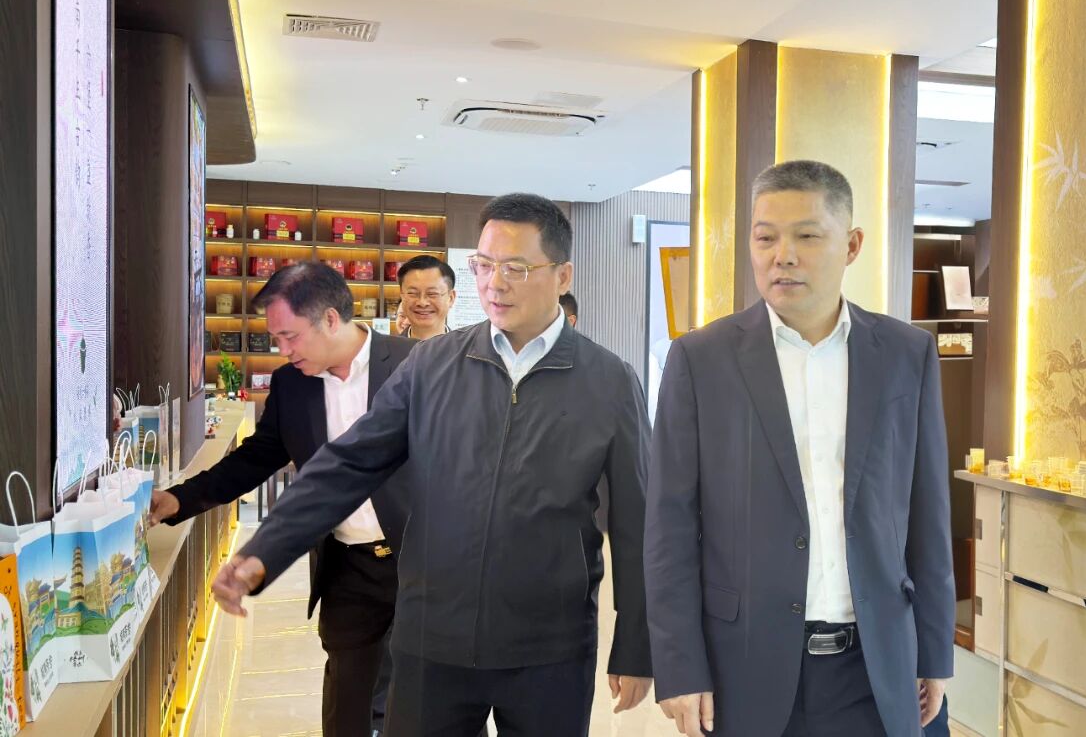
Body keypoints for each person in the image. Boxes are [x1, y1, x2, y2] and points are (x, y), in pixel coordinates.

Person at [208, 193, 654, 736]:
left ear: (562, 276)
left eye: (515, 268)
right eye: (484, 265)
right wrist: (266, 548)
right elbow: (350, 462)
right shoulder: (432, 364)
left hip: (550, 648)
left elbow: (637, 521)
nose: (495, 283)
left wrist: (637, 643)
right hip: (431, 640)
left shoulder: (609, 381)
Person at [645, 160, 954, 736]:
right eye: (765, 238)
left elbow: (928, 513)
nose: (781, 256)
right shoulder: (701, 359)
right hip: (745, 661)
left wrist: (934, 652)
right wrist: (680, 665)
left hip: (877, 663)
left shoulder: (905, 354)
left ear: (852, 245)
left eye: (807, 236)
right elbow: (669, 526)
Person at [150, 263, 417, 737]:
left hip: (422, 561)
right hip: (347, 568)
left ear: (330, 319)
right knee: (348, 699)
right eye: (275, 338)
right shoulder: (293, 383)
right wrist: (179, 499)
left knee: (432, 696)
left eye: (290, 336)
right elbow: (257, 458)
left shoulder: (415, 363)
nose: (283, 350)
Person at [397, 254, 457, 339]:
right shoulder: (386, 347)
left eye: (432, 294)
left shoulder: (468, 347)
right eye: (413, 293)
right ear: (402, 296)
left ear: (451, 298)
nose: (422, 303)